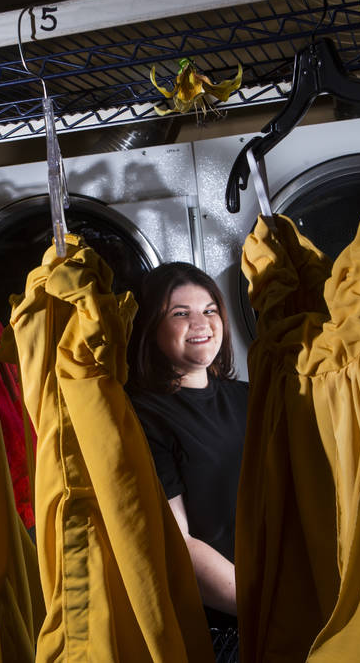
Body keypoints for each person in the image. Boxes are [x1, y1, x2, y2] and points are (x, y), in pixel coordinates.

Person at [127, 262, 248, 656]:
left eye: (210, 310)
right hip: (226, 625)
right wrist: (263, 604)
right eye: (181, 313)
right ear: (151, 329)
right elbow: (179, 544)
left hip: (284, 593)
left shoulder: (249, 395)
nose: (201, 323)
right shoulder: (143, 416)